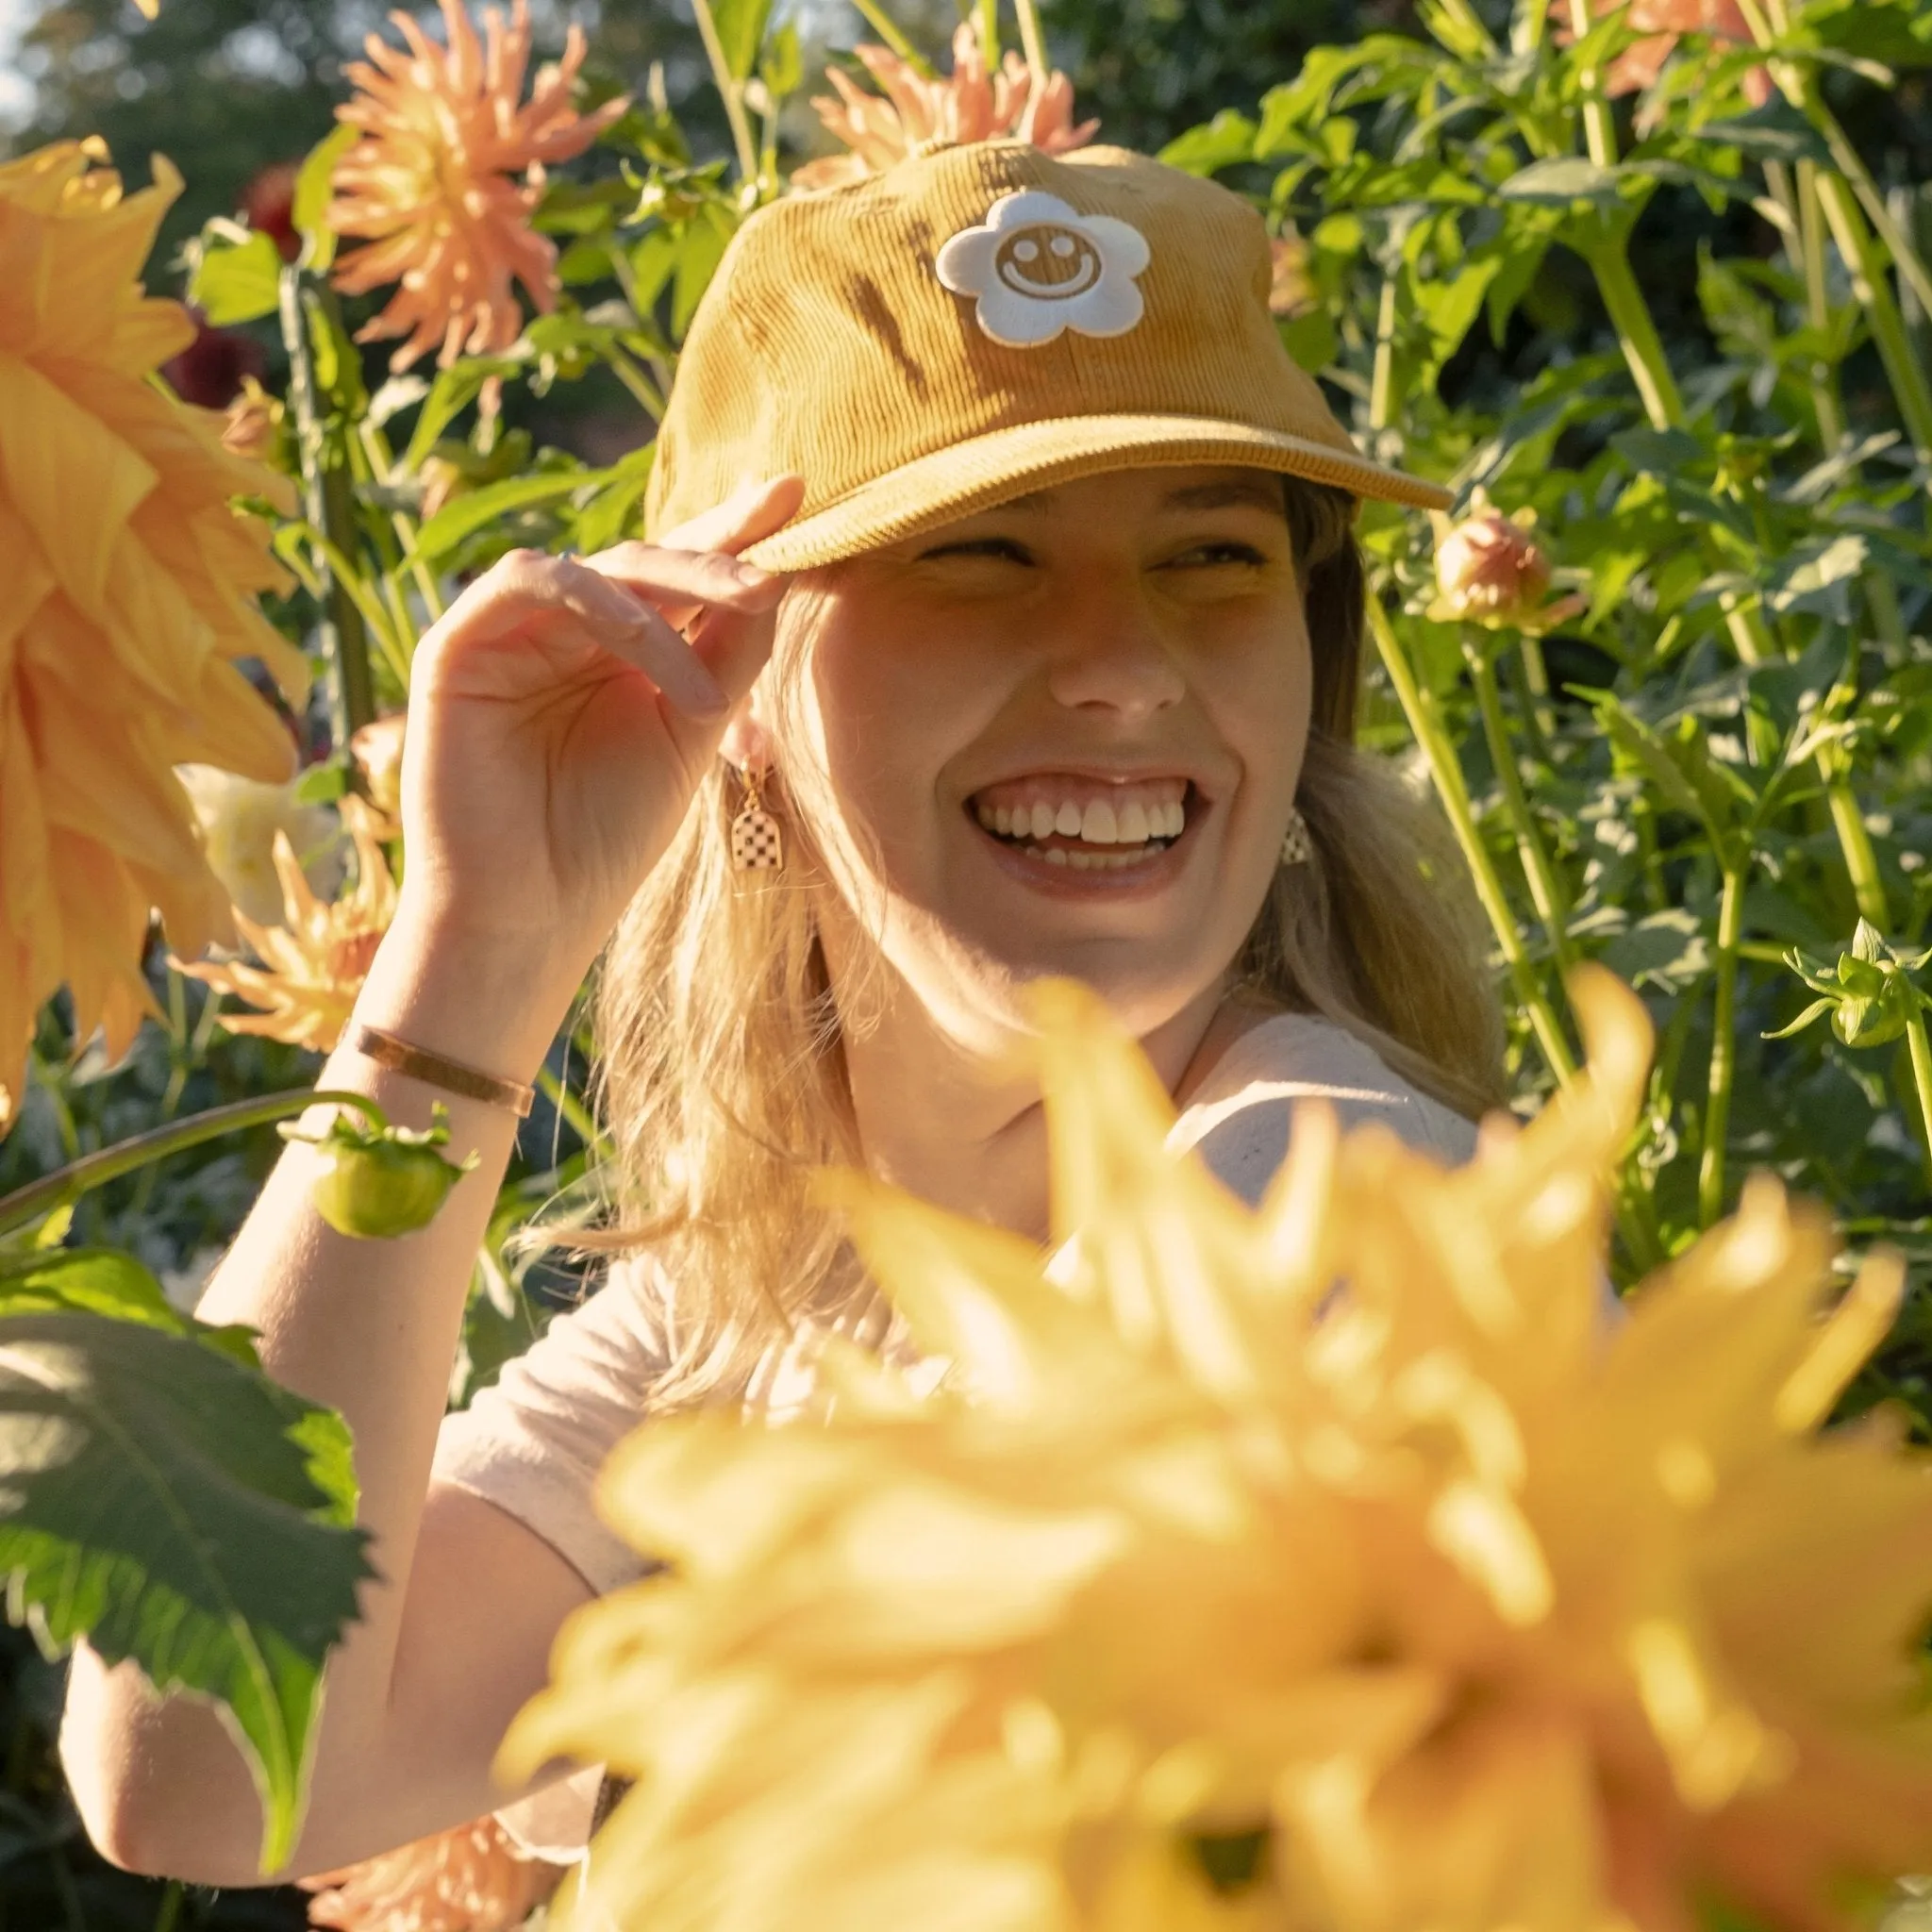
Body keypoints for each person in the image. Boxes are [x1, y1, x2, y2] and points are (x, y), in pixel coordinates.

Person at [59, 137, 1504, 1887]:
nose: (1124, 663)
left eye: (1214, 556)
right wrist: (471, 956)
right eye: (978, 553)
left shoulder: (1329, 1192)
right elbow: (206, 1766)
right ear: (723, 673)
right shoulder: (757, 1300)